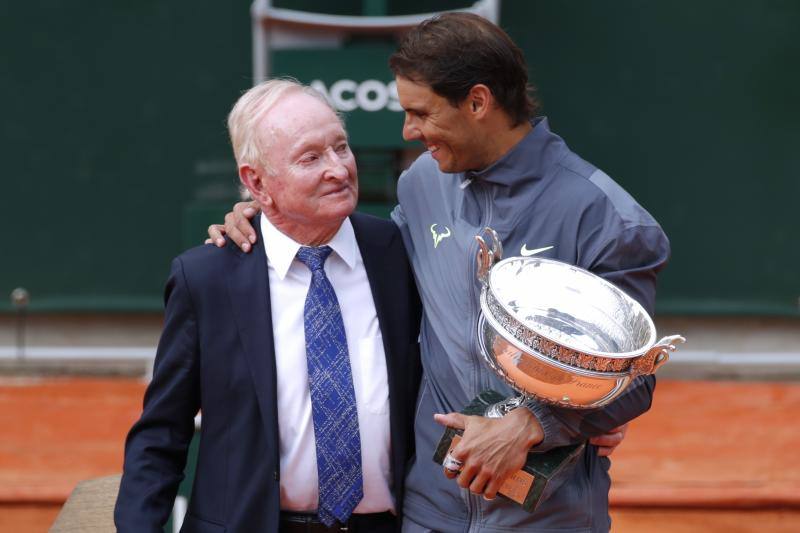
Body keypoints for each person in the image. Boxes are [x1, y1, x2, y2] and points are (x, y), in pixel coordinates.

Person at [210, 12, 667, 532]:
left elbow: (632, 380)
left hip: (546, 518)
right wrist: (271, 215)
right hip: (429, 512)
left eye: (420, 113)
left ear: (477, 102)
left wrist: (531, 425)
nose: (409, 130)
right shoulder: (422, 182)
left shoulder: (606, 217)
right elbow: (361, 253)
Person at [115, 79, 421, 532]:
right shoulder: (206, 278)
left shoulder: (394, 249)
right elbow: (162, 433)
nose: (338, 169)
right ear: (256, 182)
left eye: (341, 147)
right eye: (311, 158)